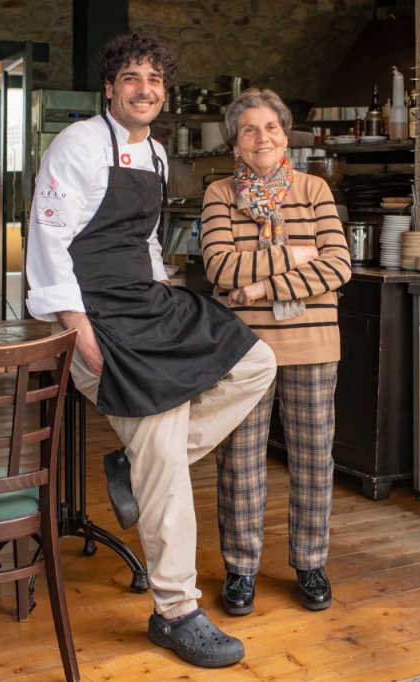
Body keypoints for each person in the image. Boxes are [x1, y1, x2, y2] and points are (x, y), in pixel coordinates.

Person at [24, 33, 277, 668]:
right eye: (132, 78)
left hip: (147, 301)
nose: (145, 89)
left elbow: (145, 240)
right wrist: (77, 327)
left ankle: (132, 468)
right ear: (110, 88)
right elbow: (47, 240)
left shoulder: (158, 154)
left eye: (155, 80)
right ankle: (176, 611)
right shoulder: (78, 144)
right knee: (161, 455)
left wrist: (165, 287)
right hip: (95, 313)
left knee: (255, 362)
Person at [199, 88, 352, 616]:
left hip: (313, 343)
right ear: (235, 144)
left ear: (285, 136)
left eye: (271, 128)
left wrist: (261, 286)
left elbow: (338, 266)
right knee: (240, 463)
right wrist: (298, 254)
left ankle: (310, 563)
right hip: (244, 350)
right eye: (249, 130)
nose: (261, 138)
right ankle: (241, 569)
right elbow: (220, 267)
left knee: (313, 460)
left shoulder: (314, 189)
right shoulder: (220, 194)